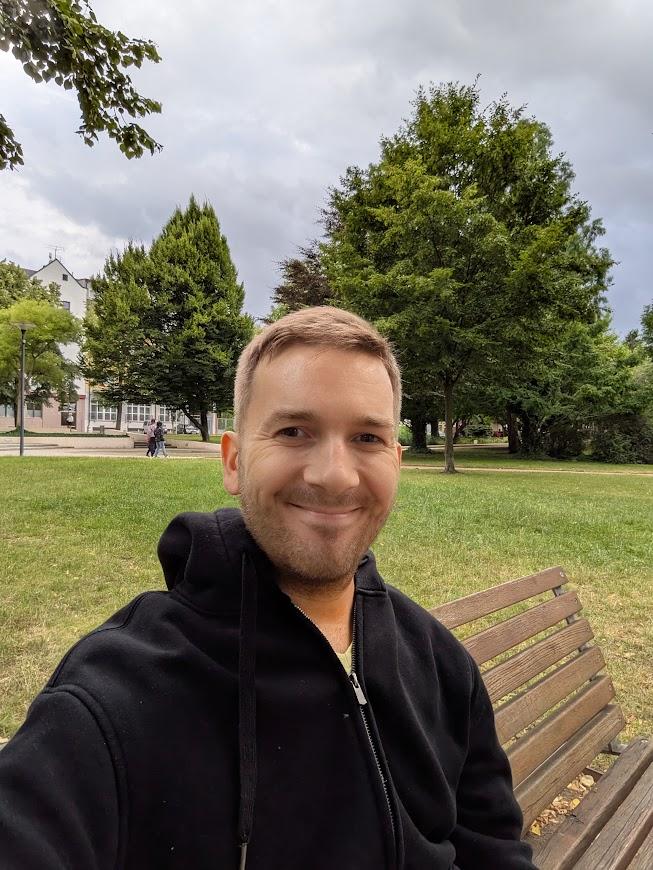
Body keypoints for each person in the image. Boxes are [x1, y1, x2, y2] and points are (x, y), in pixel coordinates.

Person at [0, 307, 535, 869]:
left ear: (395, 462)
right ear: (234, 461)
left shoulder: (441, 666)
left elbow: (495, 850)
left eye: (368, 437)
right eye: (294, 432)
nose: (335, 474)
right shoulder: (115, 697)